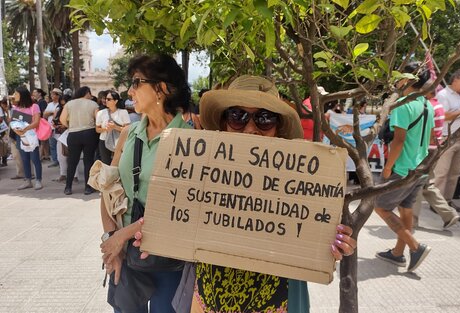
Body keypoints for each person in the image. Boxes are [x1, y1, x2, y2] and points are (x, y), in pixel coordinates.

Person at [132, 75, 356, 313]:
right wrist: (158, 233)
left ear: (278, 128)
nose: (250, 128)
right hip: (208, 297)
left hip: (275, 300)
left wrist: (333, 242)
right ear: (224, 123)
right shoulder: (200, 171)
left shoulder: (299, 183)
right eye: (237, 117)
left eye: (264, 118)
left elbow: (313, 232)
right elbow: (180, 219)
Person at [99, 54, 195, 313]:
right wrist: (113, 241)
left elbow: (183, 209)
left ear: (161, 89)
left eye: (136, 82)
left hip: (169, 259)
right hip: (126, 258)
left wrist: (122, 236)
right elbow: (108, 190)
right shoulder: (129, 133)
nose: (130, 91)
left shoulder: (191, 141)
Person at [374, 62, 434, 272]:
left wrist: (388, 168)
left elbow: (399, 140)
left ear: (408, 79)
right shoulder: (427, 104)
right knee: (405, 209)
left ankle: (415, 247)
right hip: (421, 166)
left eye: (400, 76)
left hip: (402, 168)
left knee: (380, 207)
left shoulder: (403, 104)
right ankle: (398, 254)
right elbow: (429, 137)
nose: (397, 80)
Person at [412, 81, 460, 229]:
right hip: (433, 151)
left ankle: (412, 221)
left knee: (415, 186)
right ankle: (449, 215)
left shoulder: (428, 107)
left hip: (425, 152)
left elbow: (427, 132)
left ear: (425, 92)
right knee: (427, 185)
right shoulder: (438, 106)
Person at [433, 69, 460, 213]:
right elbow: (443, 116)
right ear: (456, 80)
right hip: (446, 138)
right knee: (441, 173)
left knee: (455, 173)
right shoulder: (443, 95)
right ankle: (436, 203)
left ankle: (447, 201)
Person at [60, 86, 99, 195]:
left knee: (72, 161)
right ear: (87, 93)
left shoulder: (69, 104)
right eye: (90, 93)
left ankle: (68, 187)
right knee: (88, 161)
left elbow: (62, 119)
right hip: (90, 133)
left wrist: (70, 126)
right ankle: (88, 187)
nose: (91, 96)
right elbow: (98, 119)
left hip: (73, 134)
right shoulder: (93, 104)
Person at [11, 86, 43, 190]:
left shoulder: (34, 107)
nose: (14, 96)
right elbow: (14, 123)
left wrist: (25, 128)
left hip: (32, 136)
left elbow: (36, 122)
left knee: (35, 159)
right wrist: (18, 131)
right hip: (21, 136)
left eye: (16, 94)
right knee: (24, 159)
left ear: (22, 95)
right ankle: (28, 180)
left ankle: (38, 180)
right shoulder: (16, 108)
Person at [95, 90, 130, 165]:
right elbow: (97, 129)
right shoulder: (101, 113)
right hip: (104, 141)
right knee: (106, 164)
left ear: (116, 101)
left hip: (119, 141)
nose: (106, 101)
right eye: (105, 98)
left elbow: (127, 130)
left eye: (109, 99)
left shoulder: (123, 112)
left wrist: (115, 127)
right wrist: (106, 129)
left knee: (119, 163)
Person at [43, 88, 62, 168]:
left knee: (60, 145)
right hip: (50, 127)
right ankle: (55, 160)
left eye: (53, 94)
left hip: (58, 127)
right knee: (52, 144)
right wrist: (52, 112)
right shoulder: (50, 104)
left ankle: (61, 160)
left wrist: (50, 113)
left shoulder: (60, 104)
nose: (52, 96)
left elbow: (57, 114)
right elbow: (44, 115)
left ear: (58, 95)